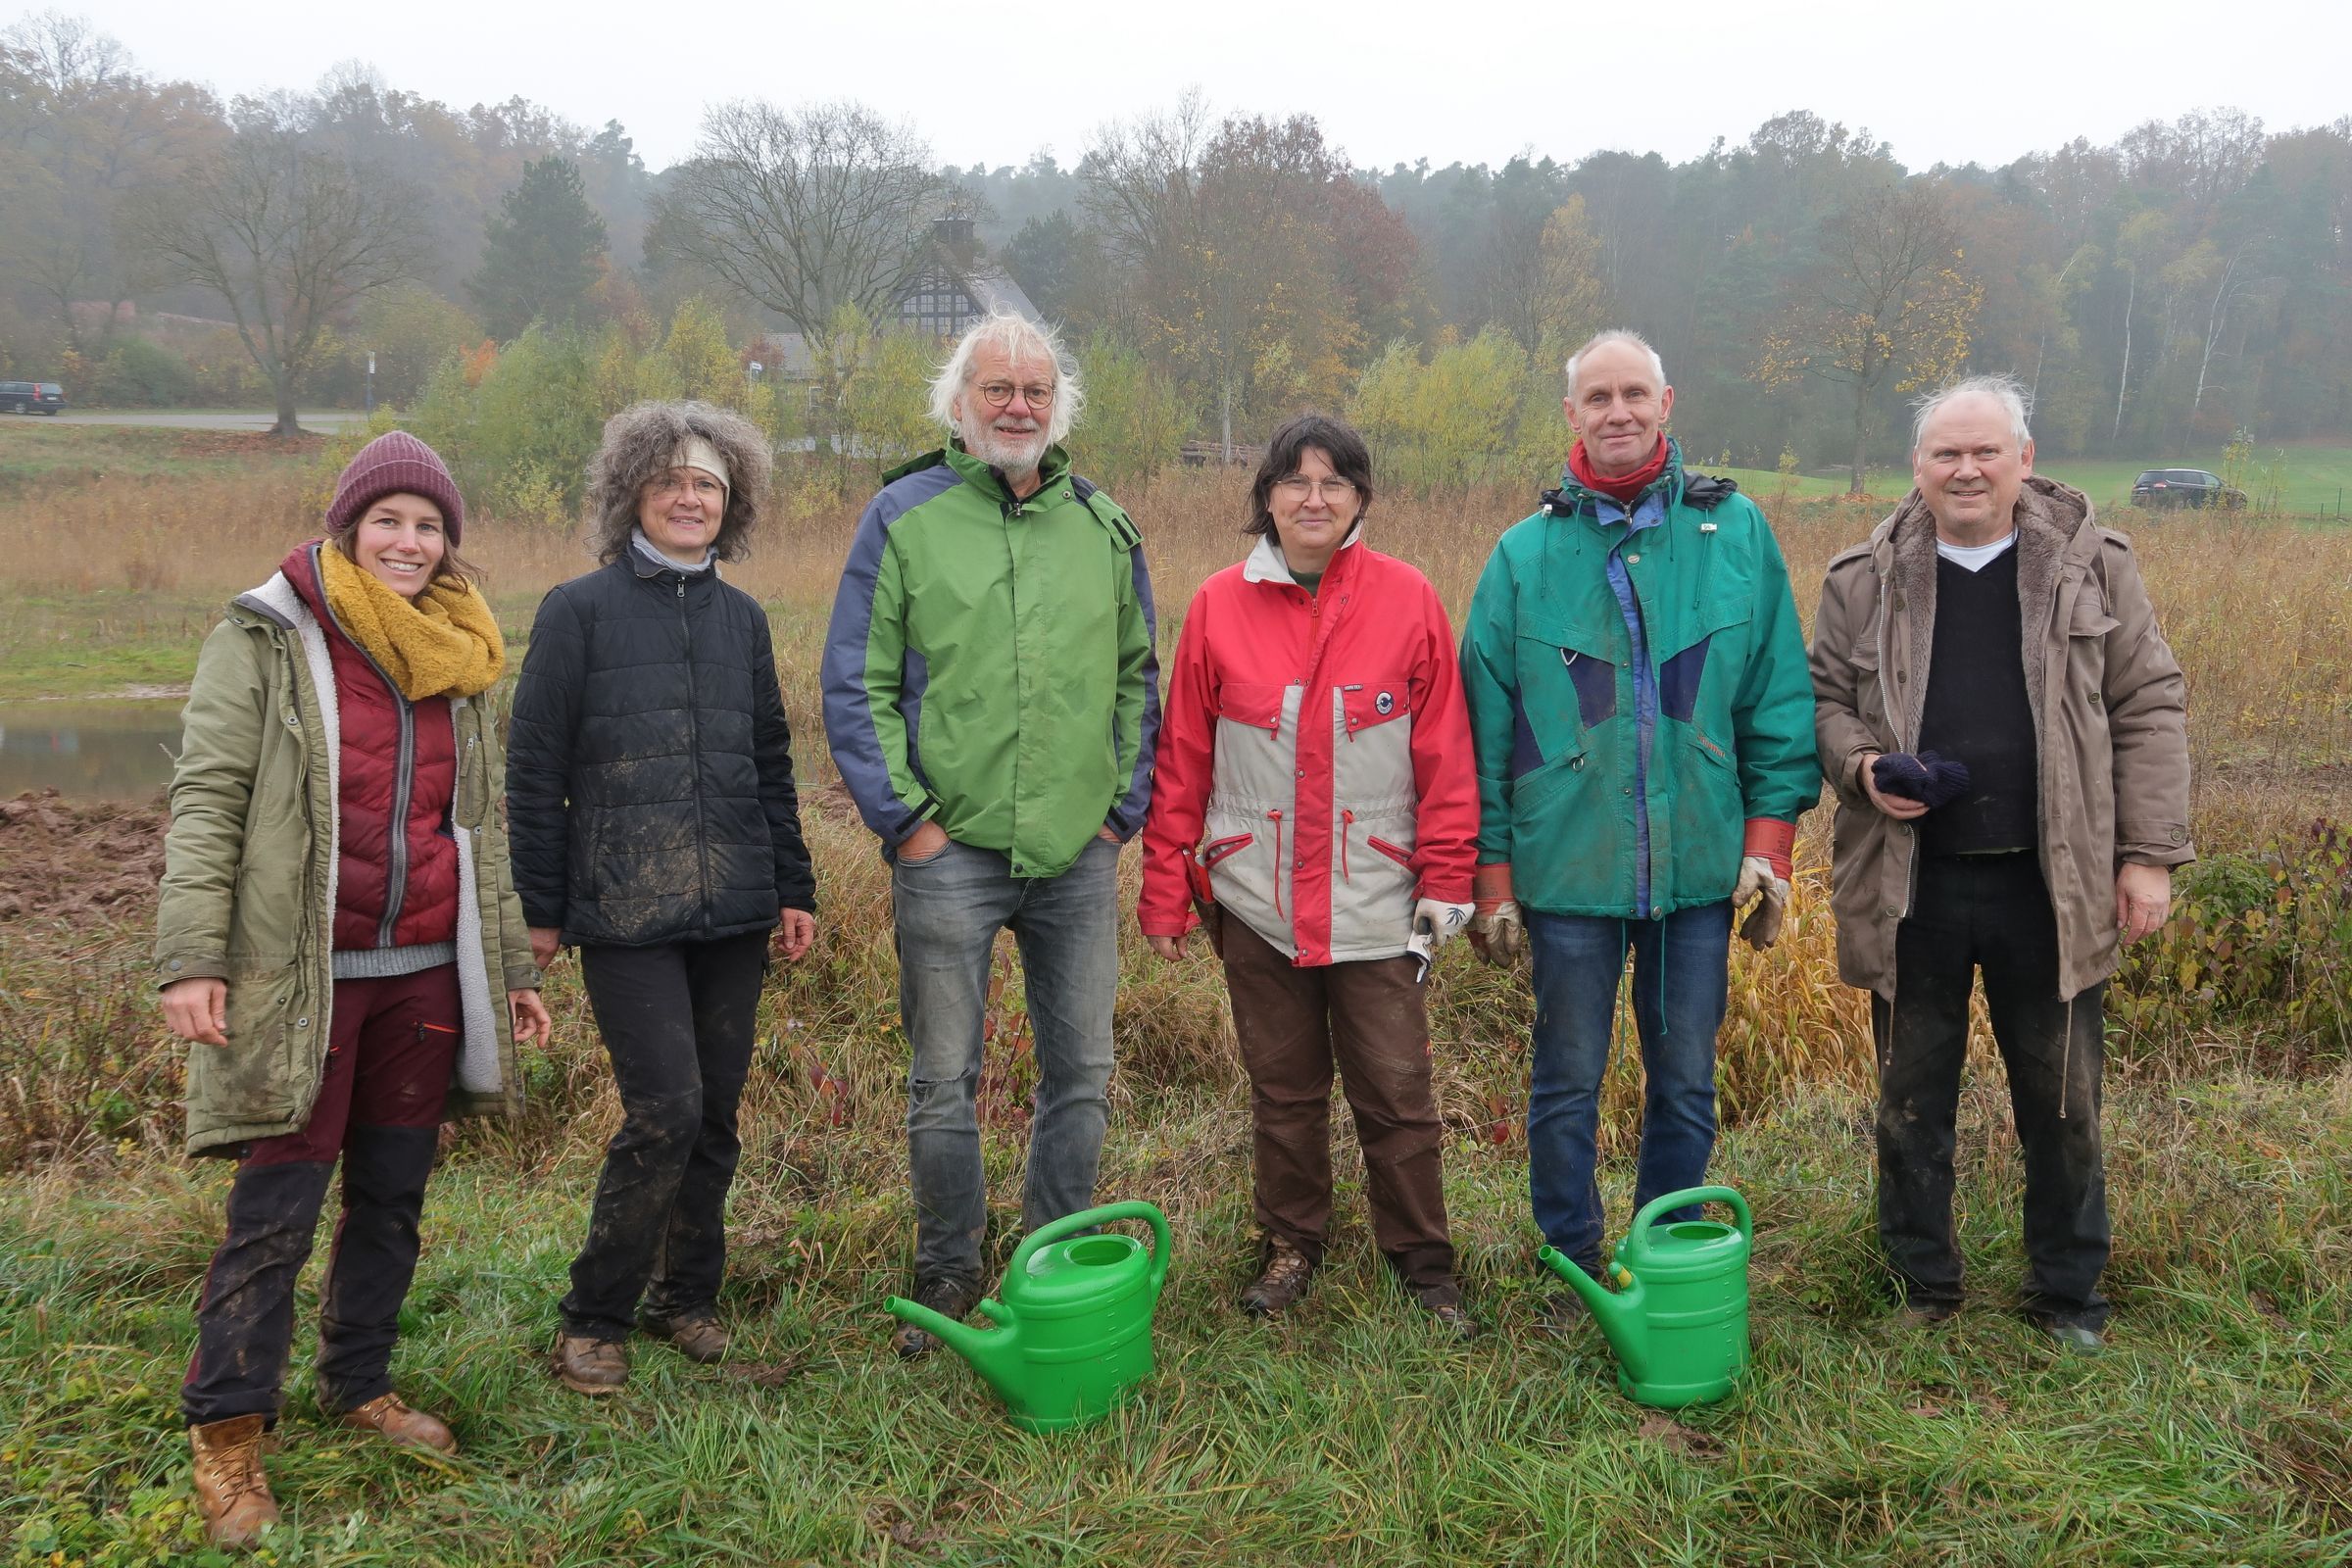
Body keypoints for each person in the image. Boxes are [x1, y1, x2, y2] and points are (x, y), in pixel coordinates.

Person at [157, 431, 551, 1546]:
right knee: (276, 1206)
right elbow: (207, 798)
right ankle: (228, 1434)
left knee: (392, 1192)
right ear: (349, 526)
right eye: (390, 520)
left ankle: (357, 1378)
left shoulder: (462, 652)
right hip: (302, 980)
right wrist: (192, 958)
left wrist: (512, 968)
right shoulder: (271, 634)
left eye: (429, 526)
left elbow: (479, 830)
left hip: (422, 972)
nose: (410, 542)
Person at [1810, 373, 2190, 1352]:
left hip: (2050, 884)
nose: (1967, 469)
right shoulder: (1866, 576)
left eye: (1986, 452)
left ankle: (2068, 1297)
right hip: (1913, 883)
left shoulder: (2094, 566)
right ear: (1919, 469)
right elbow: (1818, 702)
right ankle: (1923, 1290)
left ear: (2024, 459)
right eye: (1947, 453)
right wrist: (1858, 766)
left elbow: (2150, 705)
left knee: (2063, 1101)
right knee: (1909, 1101)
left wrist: (2148, 856)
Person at [822, 308, 1157, 1359]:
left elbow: (1138, 679)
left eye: (1037, 391)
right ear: (957, 403)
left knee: (1084, 1072)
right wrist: (908, 824)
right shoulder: (901, 517)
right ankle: (952, 1271)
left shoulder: (1104, 525)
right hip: (947, 854)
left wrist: (1119, 813)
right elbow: (856, 681)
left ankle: (1050, 1258)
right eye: (997, 389)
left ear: (1059, 410)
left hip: (1075, 853)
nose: (1018, 405)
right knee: (942, 1078)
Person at [1458, 329, 1818, 1306]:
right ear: (1571, 415)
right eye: (1597, 397)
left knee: (1687, 1081)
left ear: (1668, 403)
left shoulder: (1735, 532)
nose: (1617, 411)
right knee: (1568, 1077)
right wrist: (1490, 878)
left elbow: (1778, 699)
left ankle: (1664, 1251)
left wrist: (1769, 846)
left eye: (1634, 394)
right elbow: (1480, 731)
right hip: (1567, 872)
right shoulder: (1523, 555)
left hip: (1700, 869)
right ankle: (1573, 1259)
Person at [1138, 414, 1480, 1335]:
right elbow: (1183, 760)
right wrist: (1166, 892)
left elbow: (1447, 753)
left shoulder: (1408, 599)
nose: (1314, 499)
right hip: (1257, 902)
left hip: (1376, 898)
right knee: (1283, 1093)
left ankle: (1422, 1263)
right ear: (1268, 498)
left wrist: (1451, 879)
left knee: (1397, 1095)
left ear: (1361, 498)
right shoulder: (1217, 604)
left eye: (1335, 483)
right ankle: (1292, 1246)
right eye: (1296, 482)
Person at [507, 401, 817, 1395]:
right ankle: (591, 1313)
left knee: (716, 1115)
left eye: (710, 484)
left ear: (734, 505)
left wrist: (794, 885)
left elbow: (770, 759)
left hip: (732, 905)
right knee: (665, 1111)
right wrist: (541, 911)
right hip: (624, 909)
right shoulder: (577, 611)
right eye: (672, 480)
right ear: (632, 493)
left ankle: (685, 1300)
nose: (691, 497)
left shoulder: (743, 619)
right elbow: (534, 768)